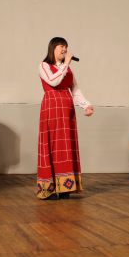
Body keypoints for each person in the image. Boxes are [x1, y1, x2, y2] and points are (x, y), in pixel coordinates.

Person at [37, 37, 93, 200]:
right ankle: (49, 189)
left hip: (67, 110)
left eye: (66, 47)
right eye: (61, 46)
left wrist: (86, 105)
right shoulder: (44, 65)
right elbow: (54, 81)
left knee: (66, 146)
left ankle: (64, 188)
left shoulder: (67, 69)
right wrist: (65, 64)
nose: (65, 50)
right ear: (53, 48)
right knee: (53, 144)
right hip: (52, 108)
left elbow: (75, 90)